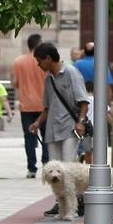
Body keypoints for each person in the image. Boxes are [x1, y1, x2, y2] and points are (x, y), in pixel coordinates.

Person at [29, 40, 92, 179]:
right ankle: (60, 199)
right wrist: (37, 123)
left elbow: (84, 102)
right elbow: (47, 107)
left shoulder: (71, 73)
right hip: (52, 129)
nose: (38, 65)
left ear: (48, 58)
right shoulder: (48, 79)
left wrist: (81, 122)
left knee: (67, 166)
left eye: (39, 61)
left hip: (70, 127)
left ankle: (72, 196)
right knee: (54, 168)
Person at [12, 33, 49, 178]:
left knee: (29, 137)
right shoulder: (45, 61)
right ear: (39, 44)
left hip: (26, 105)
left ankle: (31, 168)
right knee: (46, 136)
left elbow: (15, 83)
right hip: (44, 106)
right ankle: (46, 164)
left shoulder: (18, 61)